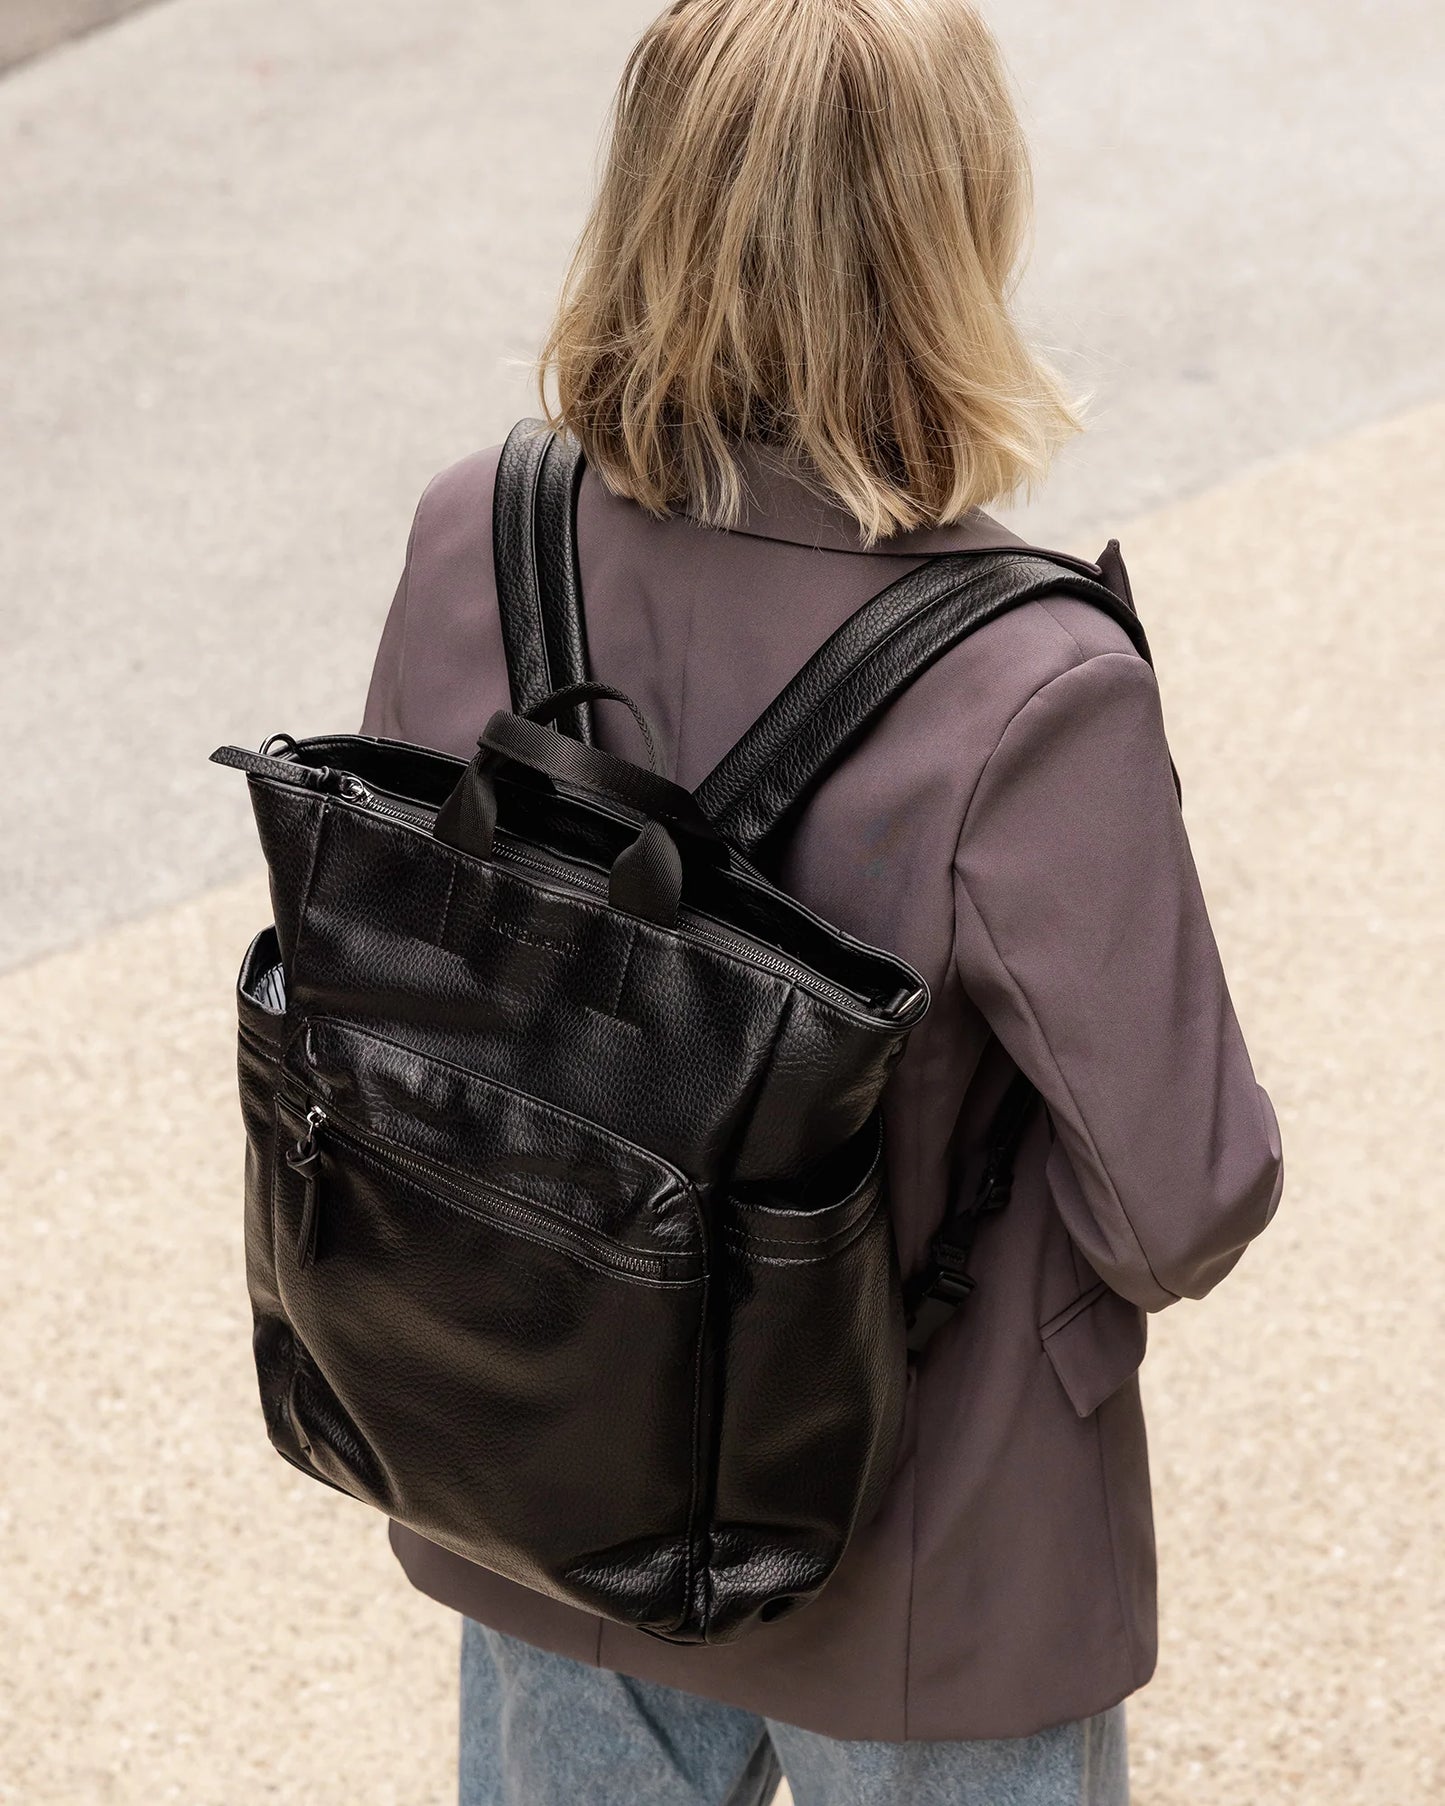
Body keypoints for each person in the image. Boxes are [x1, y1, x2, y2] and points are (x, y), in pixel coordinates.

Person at [360, 2, 1284, 1801]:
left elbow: (405, 991)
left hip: (543, 1464)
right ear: (953, 230)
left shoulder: (481, 528)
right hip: (919, 1546)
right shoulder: (1029, 683)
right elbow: (1184, 1197)